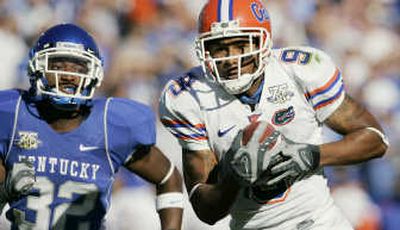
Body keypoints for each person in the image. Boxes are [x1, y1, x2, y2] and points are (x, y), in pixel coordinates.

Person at [158, 0, 388, 229]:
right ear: (204, 50)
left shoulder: (299, 71)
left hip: (320, 222)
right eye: (219, 48)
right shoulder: (190, 97)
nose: (230, 58)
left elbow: (376, 140)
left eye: (241, 45)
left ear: (263, 42)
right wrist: (234, 177)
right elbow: (206, 210)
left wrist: (309, 156)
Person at [0, 23, 184, 230]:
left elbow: (168, 176)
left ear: (94, 73)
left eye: (79, 68)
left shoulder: (110, 124)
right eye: (58, 66)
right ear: (37, 67)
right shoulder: (12, 115)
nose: (69, 76)